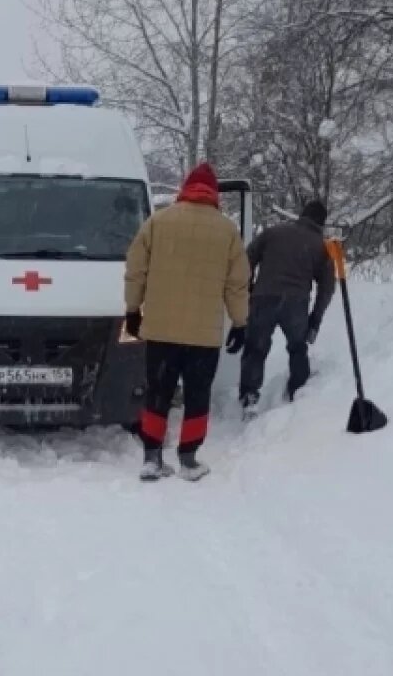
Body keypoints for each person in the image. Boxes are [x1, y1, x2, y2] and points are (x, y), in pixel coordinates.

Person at [124, 163, 250, 481]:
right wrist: (240, 322)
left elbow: (135, 268)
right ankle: (190, 460)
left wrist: (132, 310)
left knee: (158, 392)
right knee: (197, 396)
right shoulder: (227, 231)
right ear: (214, 193)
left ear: (185, 188)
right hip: (203, 338)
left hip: (161, 331)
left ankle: (152, 457)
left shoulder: (158, 222)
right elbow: (237, 283)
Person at [238, 199, 335, 411]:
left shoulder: (273, 233)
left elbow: (245, 260)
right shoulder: (321, 246)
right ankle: (298, 392)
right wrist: (314, 321)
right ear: (321, 223)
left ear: (302, 215)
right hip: (296, 304)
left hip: (263, 299)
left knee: (255, 348)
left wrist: (248, 289)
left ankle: (249, 396)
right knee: (297, 348)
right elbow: (327, 288)